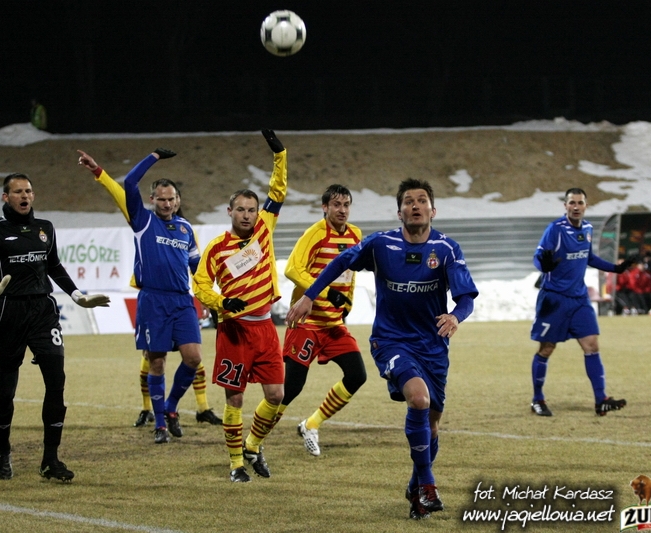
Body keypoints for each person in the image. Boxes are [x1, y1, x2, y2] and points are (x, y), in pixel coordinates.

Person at [285, 178, 478, 519]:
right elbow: (340, 262)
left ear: (433, 210)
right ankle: (428, 485)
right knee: (419, 399)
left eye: (422, 200)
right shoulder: (380, 244)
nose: (415, 206)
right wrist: (309, 296)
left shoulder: (447, 249)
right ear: (399, 211)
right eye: (408, 201)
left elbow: (465, 298)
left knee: (432, 426)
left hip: (432, 346)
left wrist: (455, 316)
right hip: (391, 341)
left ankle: (415, 486)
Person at [0, 173, 110, 481]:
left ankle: (50, 460)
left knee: (56, 381)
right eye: (18, 191)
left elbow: (54, 266)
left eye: (28, 191)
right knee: (6, 389)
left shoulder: (46, 228)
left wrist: (77, 296)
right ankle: (3, 451)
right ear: (5, 197)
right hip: (8, 313)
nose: (24, 196)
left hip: (44, 312)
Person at [76, 149, 221, 430]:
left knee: (194, 358)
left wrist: (210, 298)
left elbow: (197, 267)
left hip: (182, 300)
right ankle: (158, 421)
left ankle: (172, 407)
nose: (167, 204)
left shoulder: (185, 228)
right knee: (155, 362)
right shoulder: (142, 220)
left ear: (178, 200)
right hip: (153, 300)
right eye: (161, 199)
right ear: (152, 199)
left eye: (171, 199)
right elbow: (129, 184)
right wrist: (153, 156)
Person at [192, 129, 287, 483]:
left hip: (265, 328)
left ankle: (252, 445)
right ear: (229, 211)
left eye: (251, 210)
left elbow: (277, 191)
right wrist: (221, 302)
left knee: (276, 395)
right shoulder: (216, 248)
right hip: (234, 331)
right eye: (241, 210)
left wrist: (280, 155)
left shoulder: (264, 228)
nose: (247, 215)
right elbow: (200, 284)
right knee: (235, 400)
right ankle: (235, 464)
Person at [275, 184, 366, 456]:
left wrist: (347, 302)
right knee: (292, 387)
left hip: (333, 324)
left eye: (346, 205)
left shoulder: (355, 234)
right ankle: (256, 439)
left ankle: (311, 424)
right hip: (307, 323)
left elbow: (351, 273)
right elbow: (292, 269)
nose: (342, 210)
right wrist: (327, 293)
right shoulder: (315, 233)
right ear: (325, 207)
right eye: (336, 205)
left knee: (357, 375)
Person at [530, 187, 631, 419]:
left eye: (580, 203)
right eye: (572, 203)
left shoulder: (587, 229)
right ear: (565, 206)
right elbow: (538, 257)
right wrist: (544, 265)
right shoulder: (555, 229)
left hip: (579, 299)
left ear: (586, 206)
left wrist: (615, 268)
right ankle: (538, 399)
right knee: (547, 348)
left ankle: (601, 400)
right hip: (554, 299)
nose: (576, 207)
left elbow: (588, 257)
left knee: (592, 346)